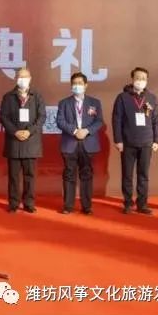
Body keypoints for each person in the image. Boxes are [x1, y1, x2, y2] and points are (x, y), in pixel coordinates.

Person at [112, 67, 158, 215]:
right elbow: (117, 120)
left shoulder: (152, 98)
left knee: (143, 175)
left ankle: (142, 204)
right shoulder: (122, 97)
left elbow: (157, 121)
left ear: (147, 80)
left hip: (146, 142)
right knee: (127, 174)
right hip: (128, 142)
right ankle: (128, 203)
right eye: (138, 78)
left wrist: (157, 140)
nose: (140, 81)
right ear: (132, 79)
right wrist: (118, 140)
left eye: (143, 78)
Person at [0, 68, 46, 213]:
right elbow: (3, 117)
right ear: (16, 79)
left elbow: (41, 117)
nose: (23, 80)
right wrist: (15, 131)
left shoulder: (37, 96)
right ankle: (13, 203)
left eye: (25, 77)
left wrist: (29, 131)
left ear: (30, 78)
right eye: (20, 77)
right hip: (14, 141)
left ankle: (28, 203)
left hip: (31, 142)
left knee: (29, 176)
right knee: (13, 176)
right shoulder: (8, 97)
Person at [56, 72, 104, 215]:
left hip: (88, 143)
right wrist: (75, 131)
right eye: (74, 83)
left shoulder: (95, 103)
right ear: (71, 86)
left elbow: (99, 121)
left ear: (86, 85)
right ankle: (68, 206)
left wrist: (87, 131)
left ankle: (86, 206)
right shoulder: (64, 103)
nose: (77, 86)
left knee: (86, 175)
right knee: (69, 174)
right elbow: (60, 121)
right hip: (70, 143)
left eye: (80, 83)